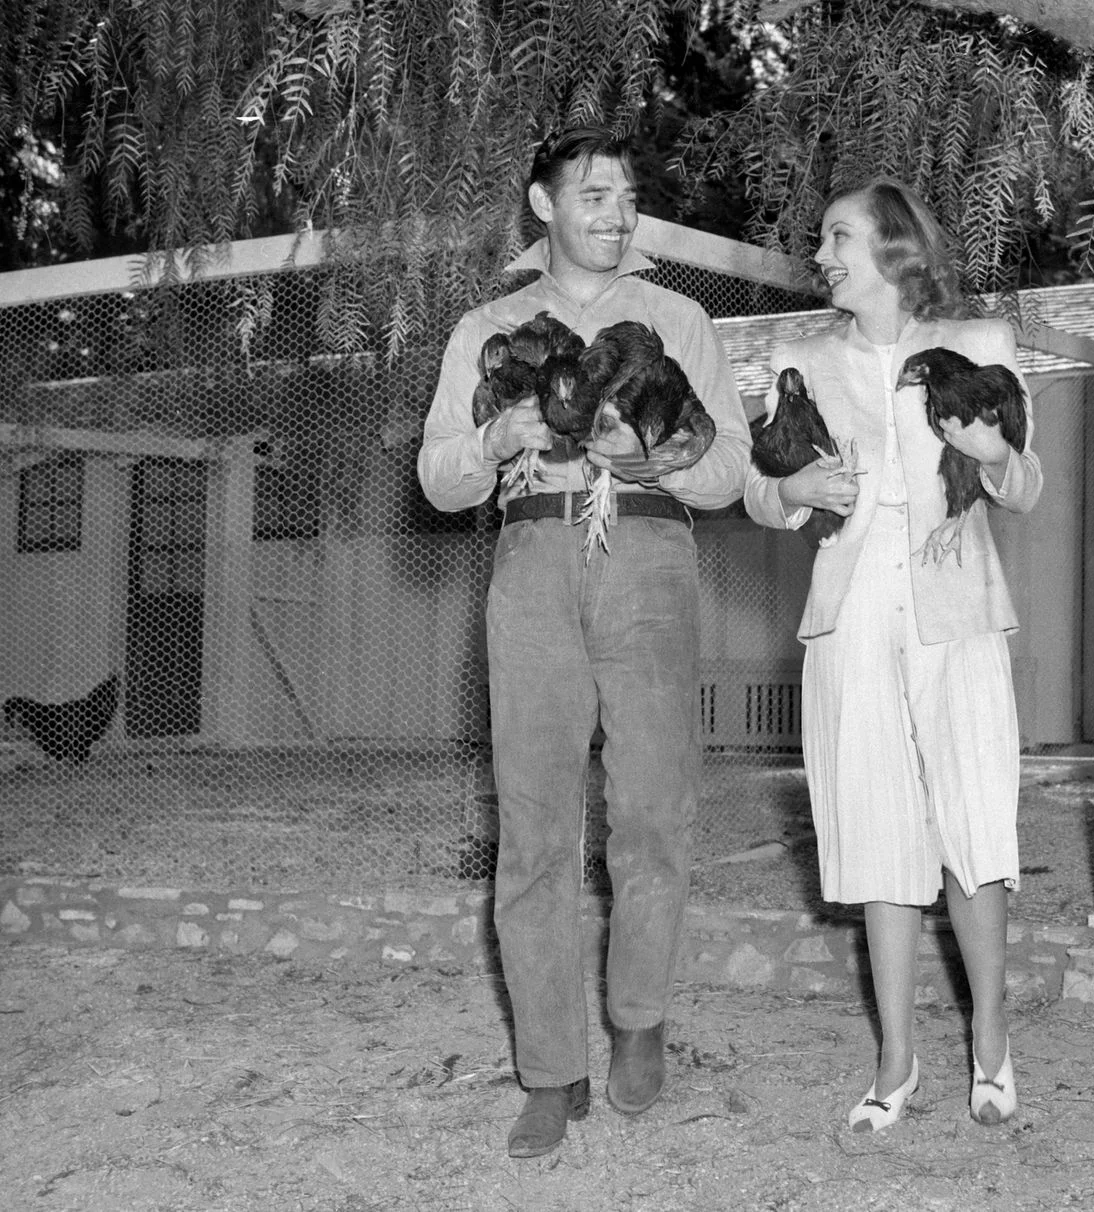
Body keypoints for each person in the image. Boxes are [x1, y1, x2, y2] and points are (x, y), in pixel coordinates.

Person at [418, 127, 750, 1159]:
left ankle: (639, 1021)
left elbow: (730, 471)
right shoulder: (488, 327)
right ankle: (550, 1072)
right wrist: (494, 439)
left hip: (647, 554)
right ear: (544, 204)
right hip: (531, 559)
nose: (617, 213)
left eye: (627, 196)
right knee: (533, 828)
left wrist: (658, 457)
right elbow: (438, 479)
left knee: (653, 808)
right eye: (595, 195)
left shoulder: (679, 320)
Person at [744, 178, 1043, 1132]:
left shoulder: (982, 344)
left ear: (894, 248)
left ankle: (990, 1043)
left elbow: (1026, 485)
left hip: (957, 608)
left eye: (839, 236)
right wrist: (799, 493)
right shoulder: (798, 361)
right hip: (853, 611)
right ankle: (895, 1062)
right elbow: (761, 493)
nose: (821, 254)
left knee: (974, 822)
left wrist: (991, 452)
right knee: (877, 832)